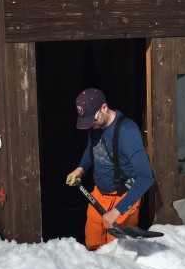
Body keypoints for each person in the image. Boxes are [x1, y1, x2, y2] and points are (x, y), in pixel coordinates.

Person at [66, 88, 154, 250]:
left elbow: (146, 177)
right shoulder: (95, 126)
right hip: (99, 195)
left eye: (92, 120)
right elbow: (91, 150)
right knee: (92, 244)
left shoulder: (127, 132)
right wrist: (81, 168)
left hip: (123, 197)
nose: (90, 125)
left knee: (114, 250)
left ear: (104, 108)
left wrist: (118, 210)